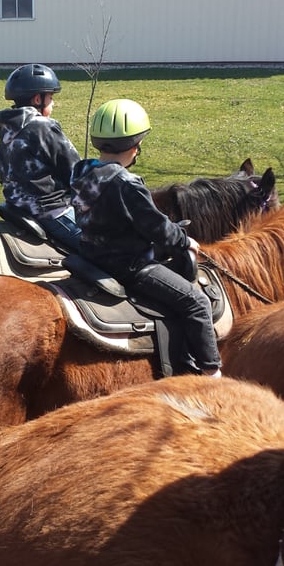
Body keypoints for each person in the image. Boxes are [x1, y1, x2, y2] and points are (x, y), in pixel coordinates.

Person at [70, 97, 222, 377]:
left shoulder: (81, 171)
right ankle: (211, 374)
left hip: (91, 257)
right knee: (196, 303)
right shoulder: (127, 184)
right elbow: (157, 229)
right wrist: (184, 239)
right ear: (135, 145)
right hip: (129, 266)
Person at [0, 63, 82, 252]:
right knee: (108, 249)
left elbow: (3, 172)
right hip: (52, 213)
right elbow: (76, 171)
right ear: (37, 99)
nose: (53, 103)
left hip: (17, 207)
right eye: (51, 98)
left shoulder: (8, 130)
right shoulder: (43, 127)